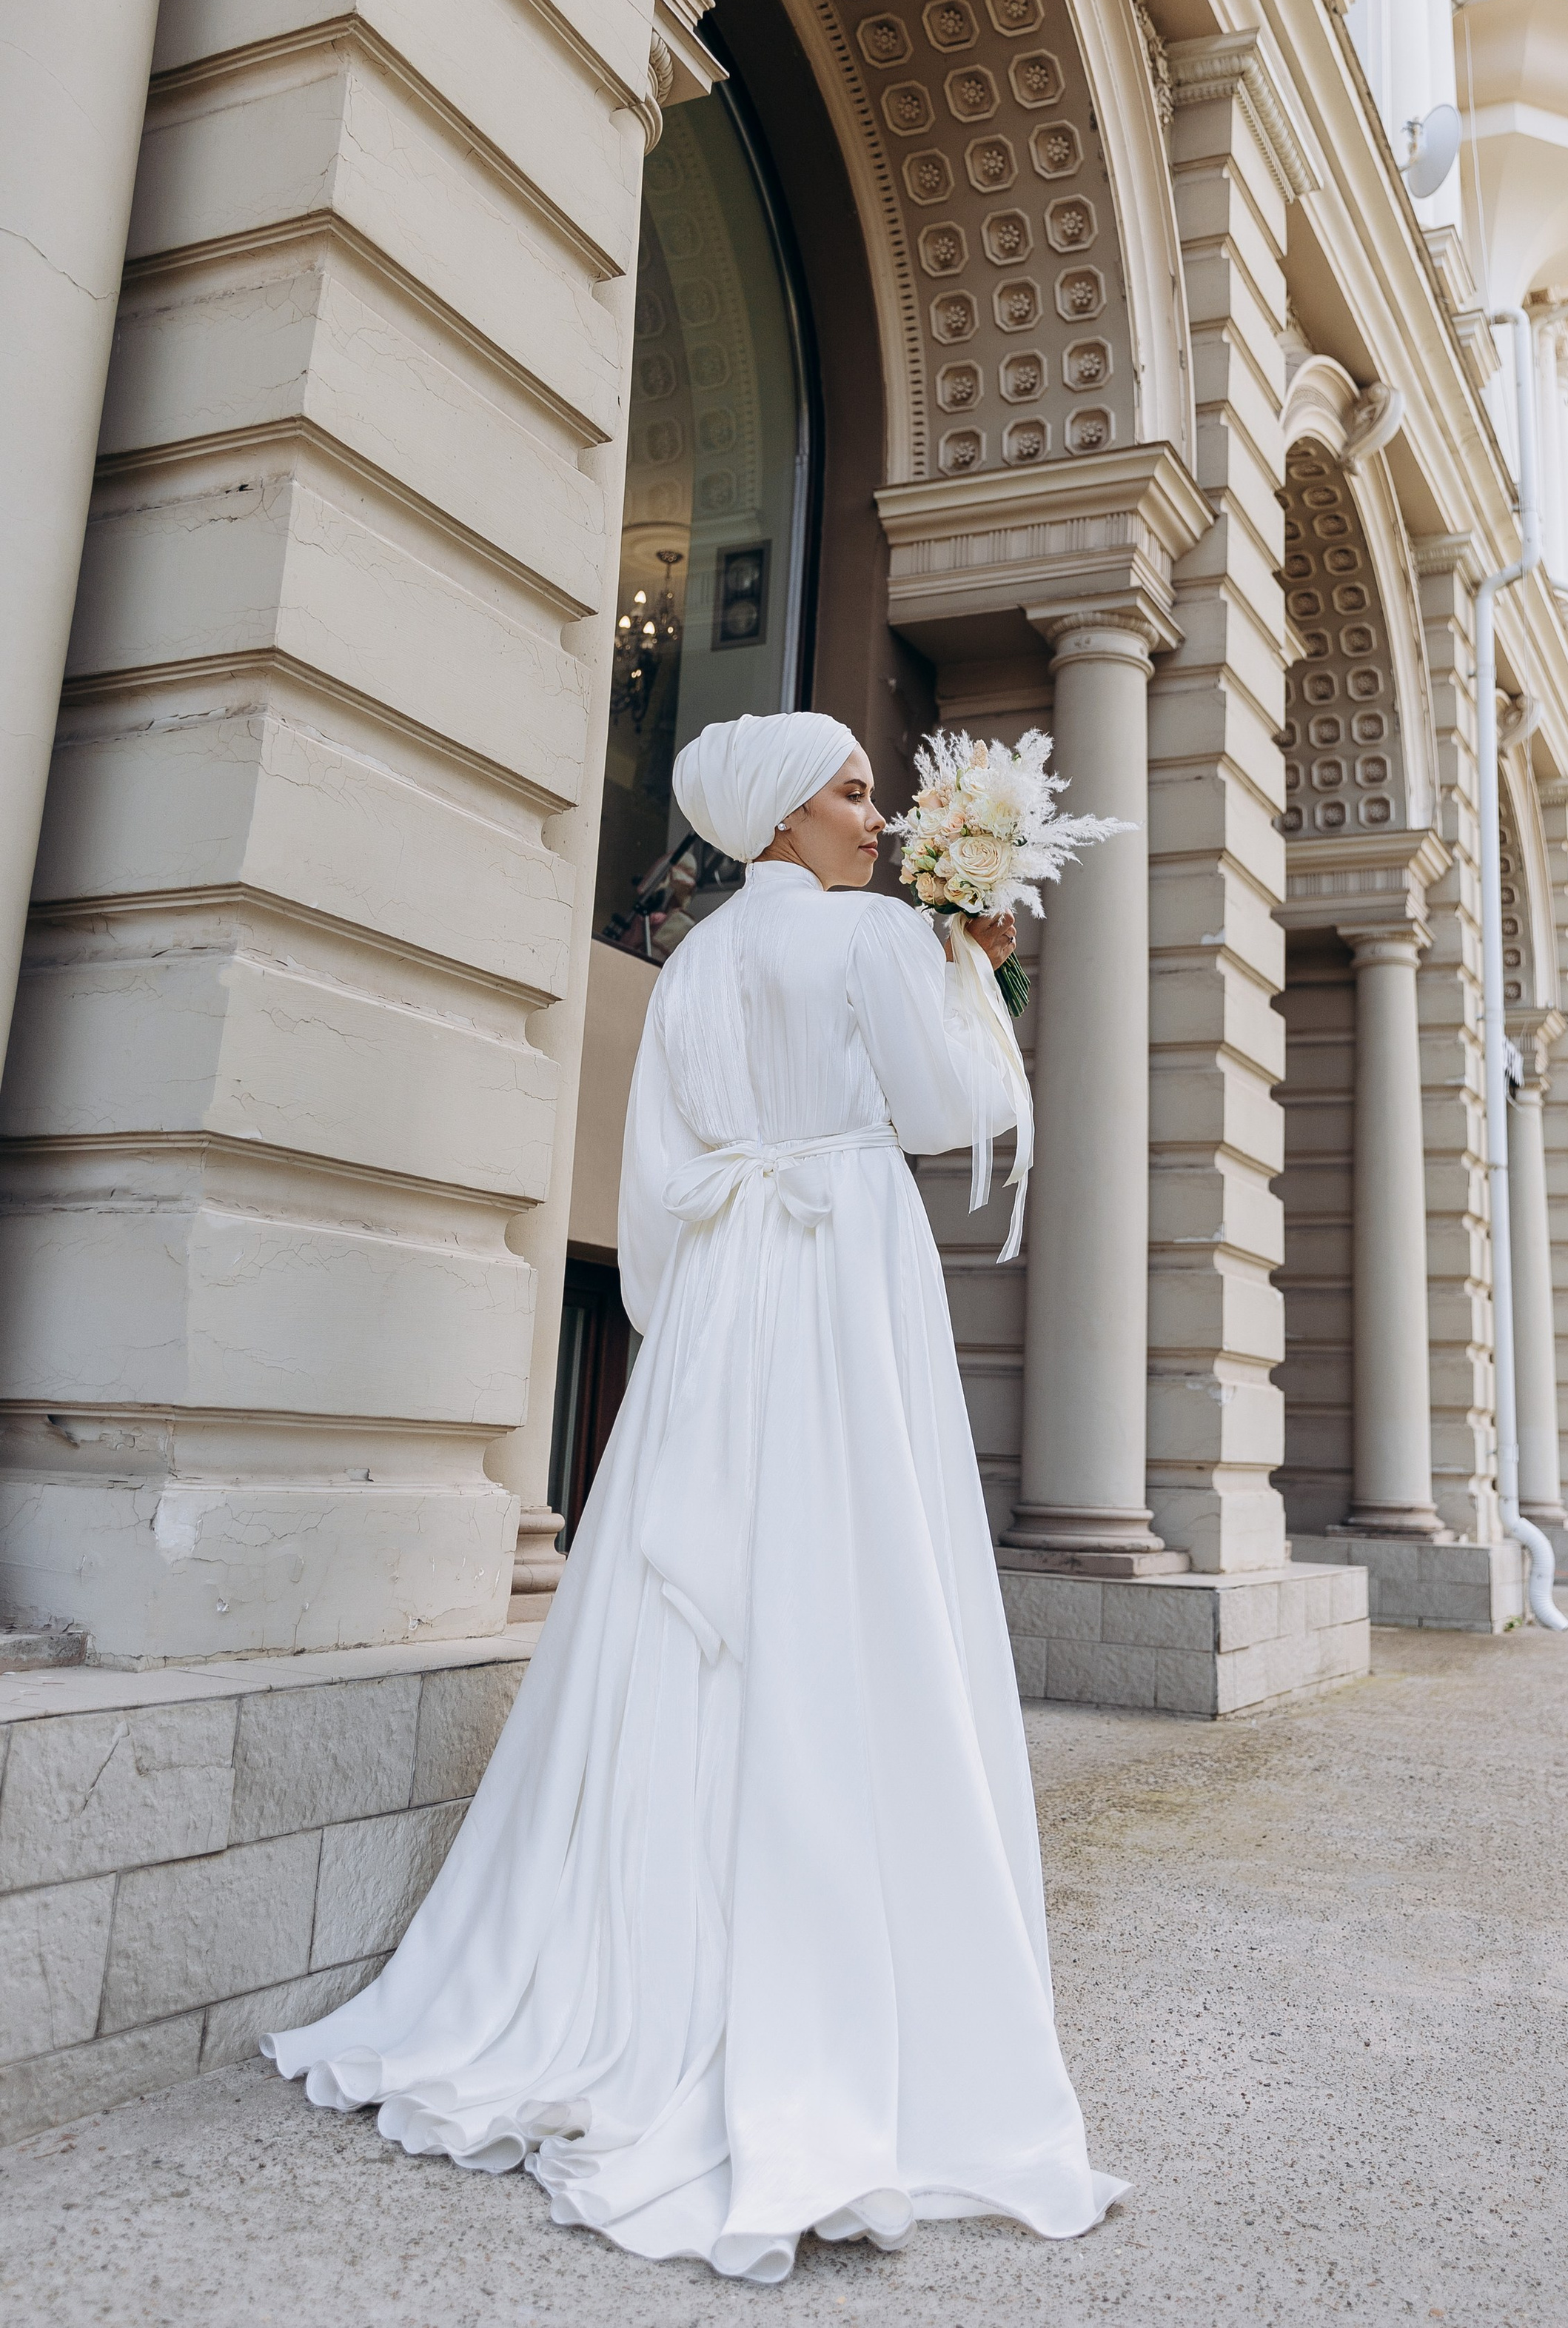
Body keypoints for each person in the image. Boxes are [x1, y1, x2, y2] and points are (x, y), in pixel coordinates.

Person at [265, 709, 1124, 2283]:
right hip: (838, 1284)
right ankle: (818, 1991)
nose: (878, 817)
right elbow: (952, 1114)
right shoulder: (871, 938)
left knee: (687, 1605)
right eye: (853, 793)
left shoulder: (696, 969)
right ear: (781, 815)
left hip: (728, 1302)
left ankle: (618, 1958)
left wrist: (703, 1306)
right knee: (851, 1581)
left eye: (874, 794)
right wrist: (977, 957)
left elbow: (656, 1190)